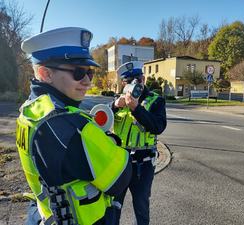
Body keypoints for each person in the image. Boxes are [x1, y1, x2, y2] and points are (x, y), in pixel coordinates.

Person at [16, 27, 132, 225]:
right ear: (45, 73)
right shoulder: (71, 126)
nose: (87, 81)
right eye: (78, 72)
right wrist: (109, 142)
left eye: (89, 72)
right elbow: (121, 177)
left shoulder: (29, 111)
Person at [109, 61, 167, 225]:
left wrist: (136, 109)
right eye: (129, 81)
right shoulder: (118, 101)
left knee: (141, 206)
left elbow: (158, 126)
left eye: (138, 79)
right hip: (120, 162)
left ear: (143, 79)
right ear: (123, 83)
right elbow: (100, 118)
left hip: (143, 163)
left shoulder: (156, 101)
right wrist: (114, 105)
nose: (135, 84)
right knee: (113, 205)